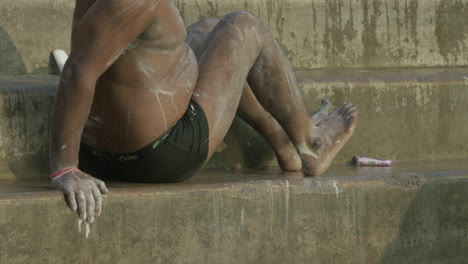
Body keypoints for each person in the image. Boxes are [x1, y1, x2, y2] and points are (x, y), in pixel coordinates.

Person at [49, 0, 357, 224]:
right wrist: (66, 169)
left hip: (101, 152)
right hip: (161, 151)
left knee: (209, 30)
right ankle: (310, 142)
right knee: (244, 27)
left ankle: (283, 144)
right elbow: (77, 71)